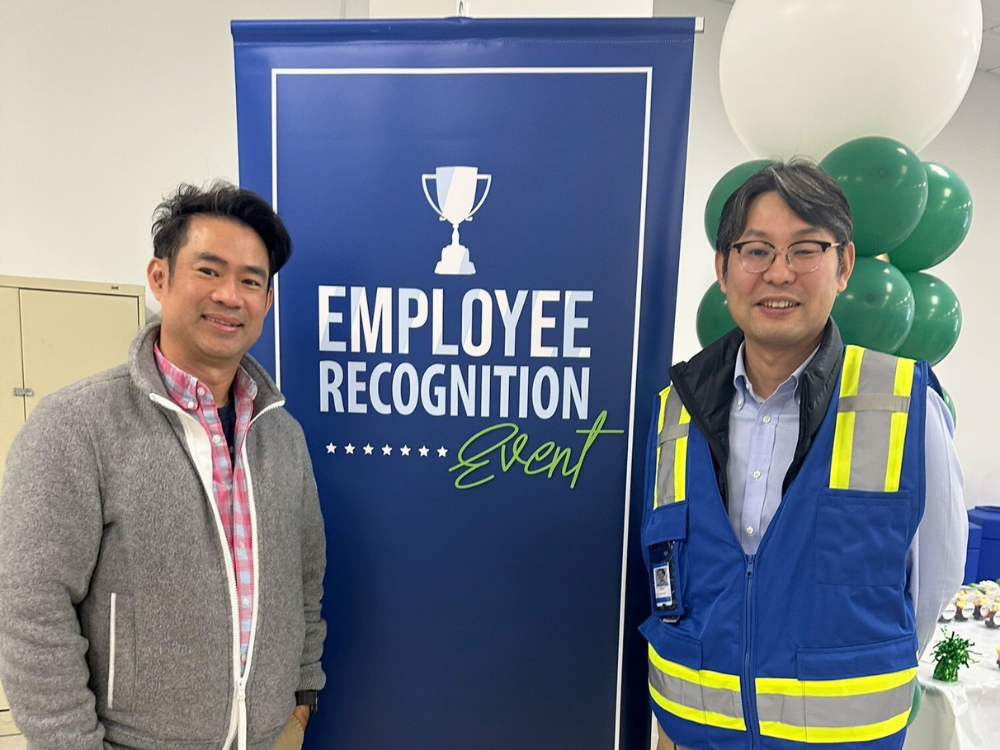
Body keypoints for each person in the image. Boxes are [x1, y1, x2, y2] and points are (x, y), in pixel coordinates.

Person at [641, 161, 966, 750]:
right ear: (723, 269)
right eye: (756, 250)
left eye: (805, 249)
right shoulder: (672, 411)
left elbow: (936, 584)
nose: (779, 273)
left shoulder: (904, 407)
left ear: (843, 265)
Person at [0, 183, 326, 750]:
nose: (230, 295)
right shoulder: (75, 427)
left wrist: (300, 700)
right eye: (209, 270)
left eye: (251, 280)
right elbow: (29, 610)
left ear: (267, 302)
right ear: (159, 277)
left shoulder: (282, 436)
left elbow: (305, 580)